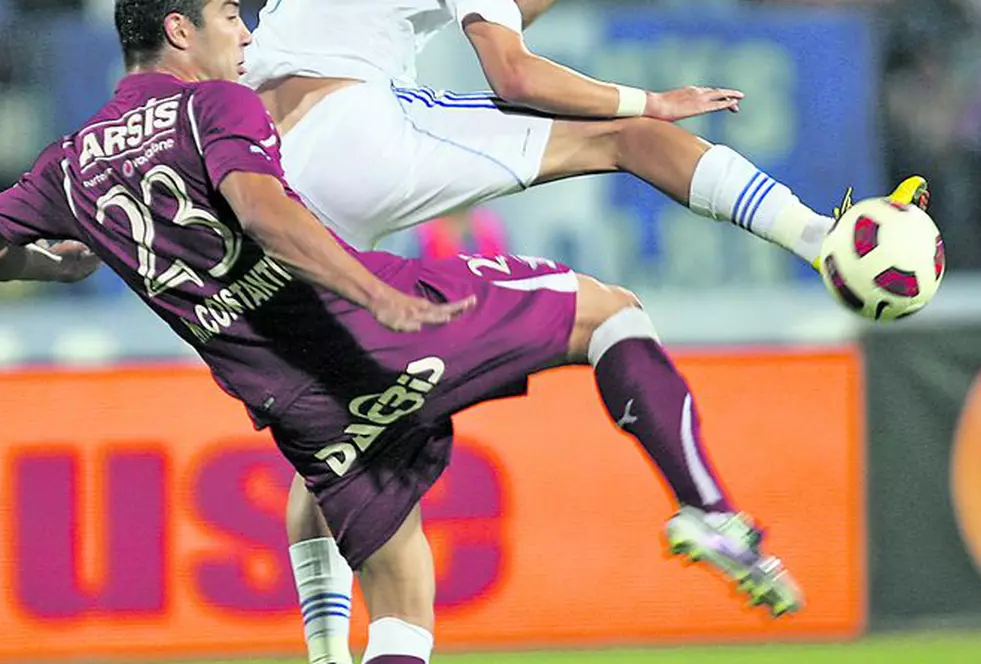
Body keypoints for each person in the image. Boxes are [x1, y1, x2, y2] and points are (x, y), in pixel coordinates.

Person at [0, 2, 810, 662]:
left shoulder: (70, 161)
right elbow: (266, 211)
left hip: (298, 402)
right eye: (224, 16)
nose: (244, 32)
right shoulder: (216, 105)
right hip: (369, 323)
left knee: (401, 598)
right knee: (611, 311)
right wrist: (377, 294)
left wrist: (53, 267)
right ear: (179, 29)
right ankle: (709, 512)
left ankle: (326, 651)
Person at [243, 1, 929, 659]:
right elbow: (513, 72)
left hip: (267, 178)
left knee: (341, 437)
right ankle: (821, 242)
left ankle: (326, 654)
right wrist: (649, 101)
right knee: (630, 138)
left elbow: (506, 14)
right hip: (352, 130)